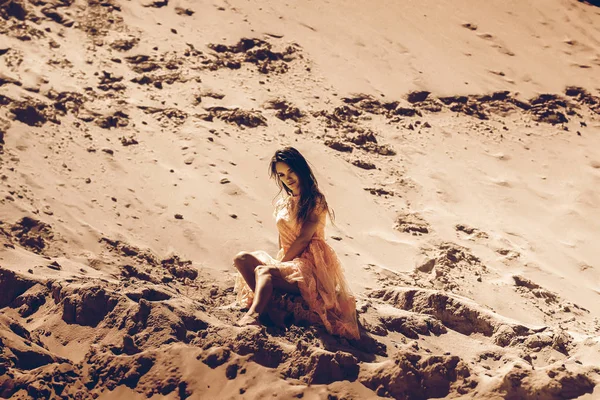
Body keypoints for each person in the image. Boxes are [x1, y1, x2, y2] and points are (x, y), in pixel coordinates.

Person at [233, 146, 360, 340]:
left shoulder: (315, 200)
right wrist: (281, 262)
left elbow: (303, 239)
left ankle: (254, 317)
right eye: (282, 175)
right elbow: (282, 237)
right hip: (288, 259)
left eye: (291, 171)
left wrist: (281, 264)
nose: (287, 178)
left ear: (301, 169)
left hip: (311, 266)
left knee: (263, 271)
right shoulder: (283, 203)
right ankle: (272, 309)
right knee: (241, 259)